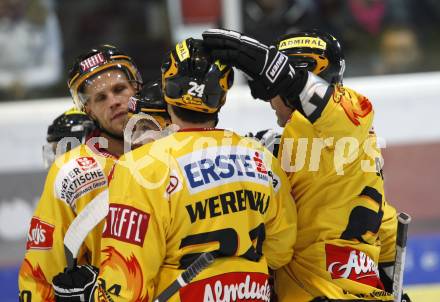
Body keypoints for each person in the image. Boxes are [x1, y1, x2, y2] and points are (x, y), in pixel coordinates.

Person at [51, 38, 297, 302]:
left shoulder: (140, 167)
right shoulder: (261, 157)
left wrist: (91, 295)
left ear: (166, 91)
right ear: (222, 97)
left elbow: (125, 284)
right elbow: (280, 251)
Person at [202, 29, 399, 301]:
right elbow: (388, 227)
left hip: (318, 292)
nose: (269, 99)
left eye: (273, 84)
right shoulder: (345, 149)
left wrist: (288, 80)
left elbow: (340, 114)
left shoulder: (351, 114)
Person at [18, 44, 143, 302]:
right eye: (100, 97)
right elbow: (40, 271)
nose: (114, 101)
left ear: (137, 88)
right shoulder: (70, 172)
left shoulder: (173, 145)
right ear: (88, 111)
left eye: (120, 89)